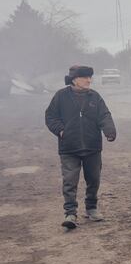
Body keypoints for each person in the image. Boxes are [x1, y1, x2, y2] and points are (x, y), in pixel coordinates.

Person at [45, 65, 116, 229]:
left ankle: (91, 208)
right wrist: (61, 130)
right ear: (75, 79)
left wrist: (109, 130)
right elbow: (50, 116)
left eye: (90, 77)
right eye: (86, 77)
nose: (89, 80)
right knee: (70, 181)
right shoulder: (61, 96)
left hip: (92, 146)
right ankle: (70, 213)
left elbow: (104, 115)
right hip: (69, 147)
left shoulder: (94, 97)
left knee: (94, 179)